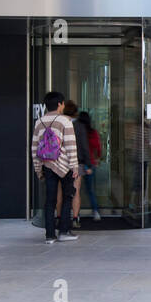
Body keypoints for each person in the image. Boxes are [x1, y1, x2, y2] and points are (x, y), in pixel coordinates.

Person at [31, 91, 79, 243]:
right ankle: (64, 231)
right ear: (59, 104)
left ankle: (49, 235)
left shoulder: (39, 122)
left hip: (47, 165)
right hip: (64, 166)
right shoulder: (65, 121)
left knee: (50, 200)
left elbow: (34, 148)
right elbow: (71, 145)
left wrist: (38, 169)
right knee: (67, 197)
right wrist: (74, 166)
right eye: (63, 103)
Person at [78, 110, 102, 221]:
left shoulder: (77, 132)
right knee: (90, 189)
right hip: (90, 163)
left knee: (75, 190)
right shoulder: (93, 133)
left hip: (78, 163)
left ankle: (75, 214)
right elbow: (98, 148)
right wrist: (97, 159)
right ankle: (95, 211)